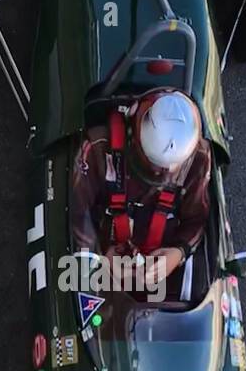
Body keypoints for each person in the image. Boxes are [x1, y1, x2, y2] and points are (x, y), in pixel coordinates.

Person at [71, 90, 211, 297]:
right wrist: (100, 258)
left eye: (168, 168)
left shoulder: (198, 159)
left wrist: (178, 253)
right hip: (105, 256)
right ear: (134, 137)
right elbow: (76, 214)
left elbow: (198, 218)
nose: (160, 172)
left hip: (161, 270)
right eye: (153, 163)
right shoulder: (97, 149)